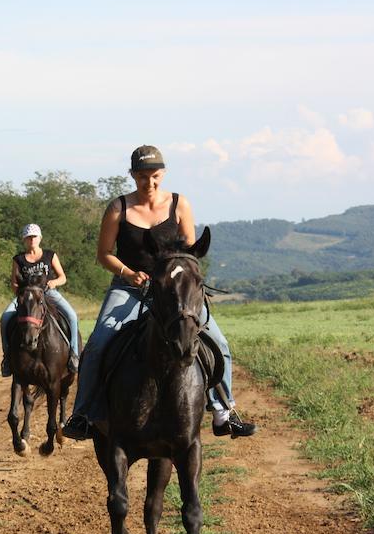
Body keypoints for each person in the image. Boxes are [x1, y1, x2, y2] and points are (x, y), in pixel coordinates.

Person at [61, 145, 256, 440]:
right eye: (141, 176)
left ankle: (223, 413)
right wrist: (128, 273)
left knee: (219, 342)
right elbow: (104, 254)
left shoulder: (180, 204)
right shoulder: (118, 208)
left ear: (162, 174)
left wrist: (180, 282)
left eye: (154, 176)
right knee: (98, 344)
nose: (148, 183)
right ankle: (84, 414)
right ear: (132, 175)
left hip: (174, 293)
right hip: (130, 288)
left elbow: (189, 254)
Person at [0, 223, 80, 376]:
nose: (32, 240)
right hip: (27, 297)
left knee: (72, 316)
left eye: (34, 237)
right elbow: (14, 283)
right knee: (5, 318)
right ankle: (7, 359)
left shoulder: (50, 255)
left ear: (40, 238)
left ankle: (74, 355)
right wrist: (22, 294)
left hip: (49, 294)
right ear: (24, 240)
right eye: (28, 237)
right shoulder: (19, 259)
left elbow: (63, 277)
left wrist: (54, 282)